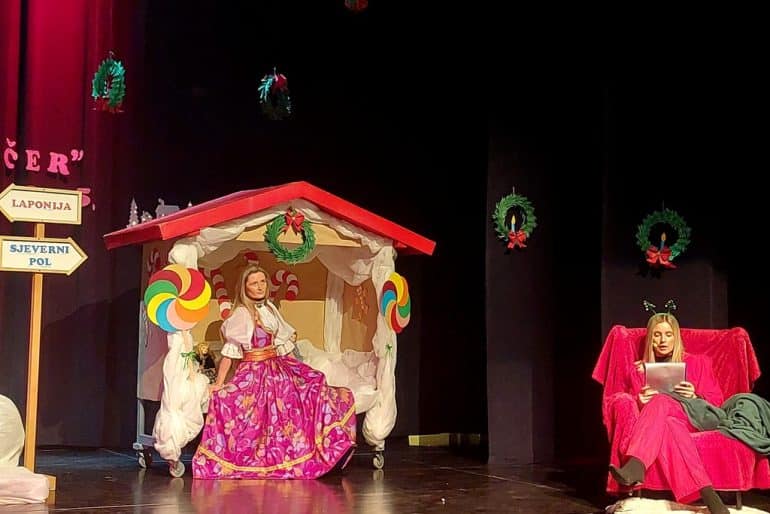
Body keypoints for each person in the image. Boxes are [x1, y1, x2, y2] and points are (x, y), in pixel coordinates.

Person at [192, 265, 357, 479]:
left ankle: (329, 444)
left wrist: (297, 371)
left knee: (314, 382)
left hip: (277, 364)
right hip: (254, 371)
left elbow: (281, 345)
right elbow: (230, 353)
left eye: (262, 282)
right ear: (245, 288)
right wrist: (219, 383)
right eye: (254, 283)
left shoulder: (269, 308)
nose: (260, 287)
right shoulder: (242, 314)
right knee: (263, 400)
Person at [608, 312, 728, 514]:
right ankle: (710, 497)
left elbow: (717, 402)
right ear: (650, 339)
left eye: (668, 334)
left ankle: (636, 464)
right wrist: (639, 401)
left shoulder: (698, 362)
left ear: (676, 337)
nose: (663, 340)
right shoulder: (639, 370)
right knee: (671, 425)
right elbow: (638, 417)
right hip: (667, 423)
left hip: (693, 417)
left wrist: (695, 395)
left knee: (661, 400)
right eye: (657, 335)